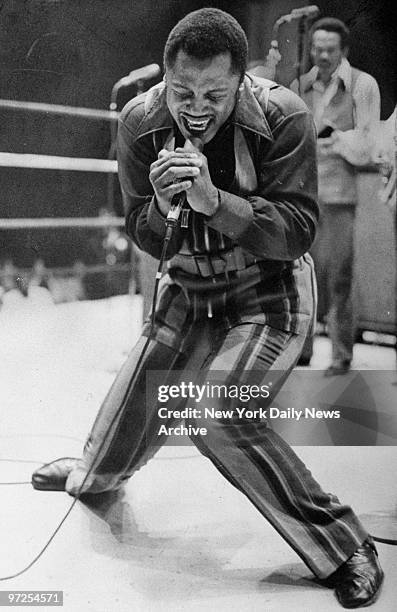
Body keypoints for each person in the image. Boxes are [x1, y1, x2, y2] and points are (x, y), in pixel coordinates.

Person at [31, 9, 383, 608]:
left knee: (217, 412)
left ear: (241, 81)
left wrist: (214, 201)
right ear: (164, 79)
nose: (195, 108)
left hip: (268, 294)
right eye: (182, 91)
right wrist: (164, 206)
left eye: (214, 94)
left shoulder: (284, 116)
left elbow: (297, 232)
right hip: (188, 290)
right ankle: (94, 474)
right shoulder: (140, 121)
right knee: (115, 435)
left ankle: (346, 546)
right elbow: (140, 230)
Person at [290, 17, 381, 375]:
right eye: (317, 48)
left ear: (343, 50)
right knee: (302, 277)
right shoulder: (300, 85)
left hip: (341, 195)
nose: (323, 55)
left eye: (330, 49)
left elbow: (369, 143)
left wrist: (336, 141)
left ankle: (342, 356)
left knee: (339, 277)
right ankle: (302, 351)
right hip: (303, 196)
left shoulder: (362, 85)